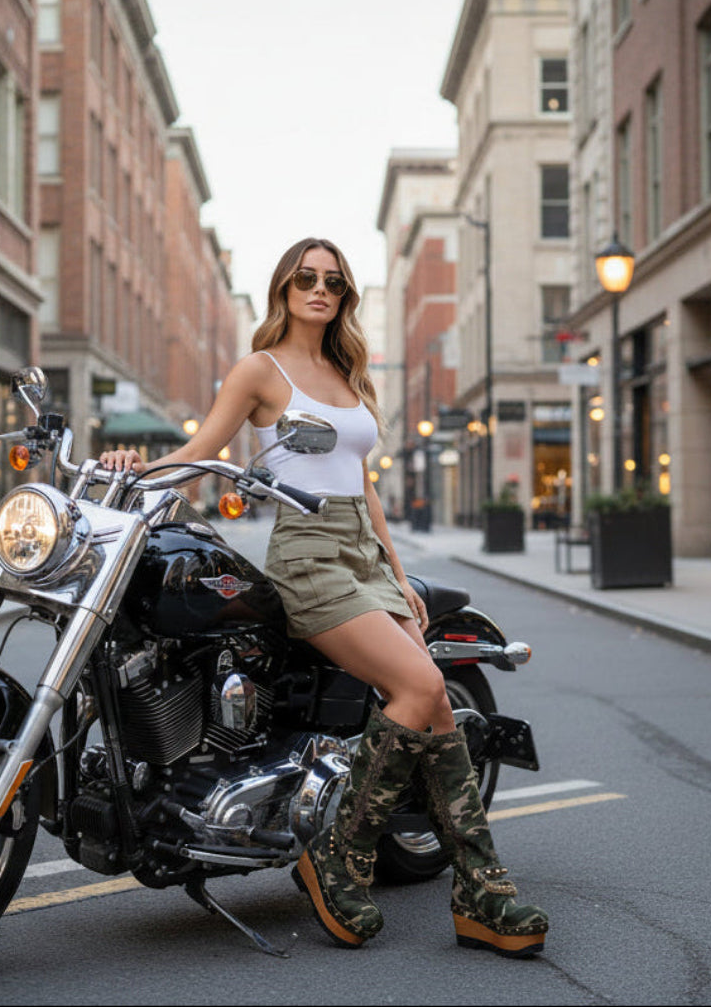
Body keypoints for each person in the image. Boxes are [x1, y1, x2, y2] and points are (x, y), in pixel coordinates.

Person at [98, 236, 548, 958]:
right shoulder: (261, 370)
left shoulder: (347, 371)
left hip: (365, 554)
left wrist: (399, 575)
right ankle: (339, 855)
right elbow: (203, 450)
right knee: (421, 685)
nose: (319, 290)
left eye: (333, 282)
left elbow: (363, 482)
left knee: (433, 703)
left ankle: (481, 894)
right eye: (306, 278)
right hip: (308, 556)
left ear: (344, 296)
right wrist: (129, 471)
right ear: (283, 287)